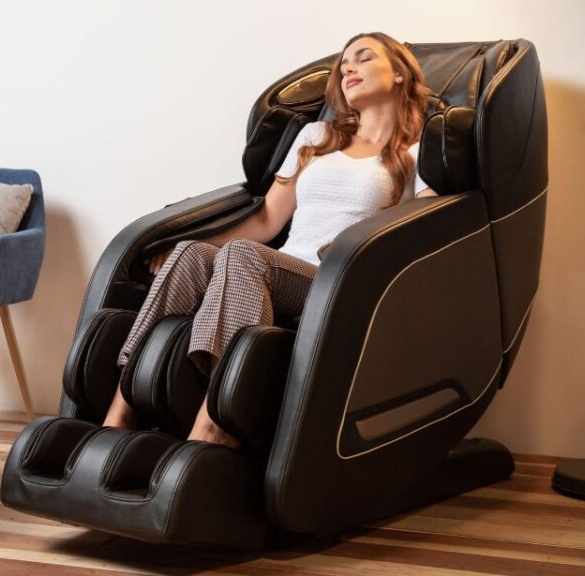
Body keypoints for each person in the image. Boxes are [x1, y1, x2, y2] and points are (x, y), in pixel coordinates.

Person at [102, 32, 438, 448]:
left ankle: (214, 428)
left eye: (364, 58)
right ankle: (116, 416)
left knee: (244, 257)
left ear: (401, 74)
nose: (349, 68)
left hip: (335, 281)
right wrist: (184, 244)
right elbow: (265, 220)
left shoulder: (420, 150)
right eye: (344, 64)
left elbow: (428, 226)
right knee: (191, 254)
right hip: (279, 268)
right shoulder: (317, 137)